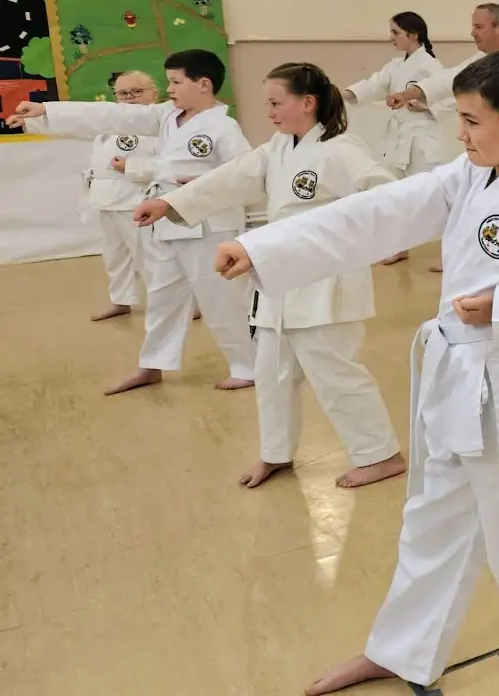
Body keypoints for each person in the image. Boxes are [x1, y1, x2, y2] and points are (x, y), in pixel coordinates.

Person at [214, 50, 499, 696]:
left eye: (470, 120)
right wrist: (261, 247)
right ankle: (402, 649)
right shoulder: (468, 177)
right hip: (452, 379)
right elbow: (377, 212)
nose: (459, 133)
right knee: (432, 523)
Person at [134, 63, 405, 489]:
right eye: (268, 104)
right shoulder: (279, 148)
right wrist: (170, 204)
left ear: (307, 103)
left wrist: (360, 240)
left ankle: (381, 454)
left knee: (335, 373)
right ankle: (275, 453)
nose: (271, 112)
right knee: (272, 372)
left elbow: (387, 195)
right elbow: (229, 179)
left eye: (277, 103)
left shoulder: (341, 150)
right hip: (278, 277)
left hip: (325, 282)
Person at [8, 49, 256, 396]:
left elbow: (246, 174)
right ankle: (151, 366)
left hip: (208, 227)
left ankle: (248, 366)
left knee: (220, 300)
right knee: (162, 298)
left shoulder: (223, 127)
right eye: (168, 81)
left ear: (203, 85)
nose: (170, 89)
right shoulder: (167, 117)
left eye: (175, 82)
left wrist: (203, 184)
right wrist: (48, 110)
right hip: (168, 223)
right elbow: (111, 115)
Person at [401, 3, 499, 273]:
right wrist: (413, 92)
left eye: (478, 26)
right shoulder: (479, 61)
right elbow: (447, 80)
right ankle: (470, 253)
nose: (472, 32)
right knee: (474, 200)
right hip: (486, 151)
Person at [343, 11, 448, 266]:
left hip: (423, 140)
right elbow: (372, 85)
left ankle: (452, 254)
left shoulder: (430, 66)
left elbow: (451, 97)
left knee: (434, 199)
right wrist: (340, 94)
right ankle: (398, 246)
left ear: (413, 35)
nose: (391, 37)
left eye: (396, 32)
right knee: (396, 196)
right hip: (399, 140)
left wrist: (423, 106)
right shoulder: (396, 65)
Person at [81, 70, 160, 321]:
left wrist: (130, 166)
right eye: (123, 93)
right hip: (106, 199)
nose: (130, 98)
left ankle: (176, 304)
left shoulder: (160, 124)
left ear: (153, 93)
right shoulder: (111, 125)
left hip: (137, 200)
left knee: (150, 257)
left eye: (137, 92)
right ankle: (121, 299)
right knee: (115, 256)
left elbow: (168, 165)